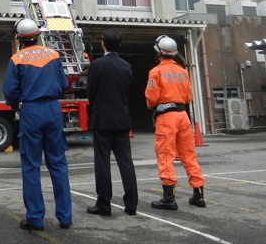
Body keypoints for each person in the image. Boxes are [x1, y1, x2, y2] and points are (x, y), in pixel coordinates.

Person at [2, 18, 72, 231]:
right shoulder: (53, 55)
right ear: (37, 35)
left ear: (19, 38)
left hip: (31, 111)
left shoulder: (17, 59)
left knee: (31, 166)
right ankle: (65, 217)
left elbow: (10, 90)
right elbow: (62, 85)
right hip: (52, 109)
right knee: (58, 164)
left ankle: (35, 218)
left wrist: (17, 105)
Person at [145, 35, 205, 210]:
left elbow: (152, 97)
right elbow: (188, 96)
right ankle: (198, 194)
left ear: (158, 52)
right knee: (188, 154)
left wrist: (153, 107)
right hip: (182, 115)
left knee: (165, 155)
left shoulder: (156, 71)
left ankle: (169, 197)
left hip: (166, 116)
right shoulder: (182, 71)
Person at [86, 29, 139, 217]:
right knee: (126, 162)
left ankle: (104, 204)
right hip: (122, 119)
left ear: (103, 44)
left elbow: (90, 93)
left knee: (102, 163)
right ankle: (131, 204)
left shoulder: (97, 65)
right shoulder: (126, 66)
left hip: (102, 119)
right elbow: (128, 92)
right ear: (120, 45)